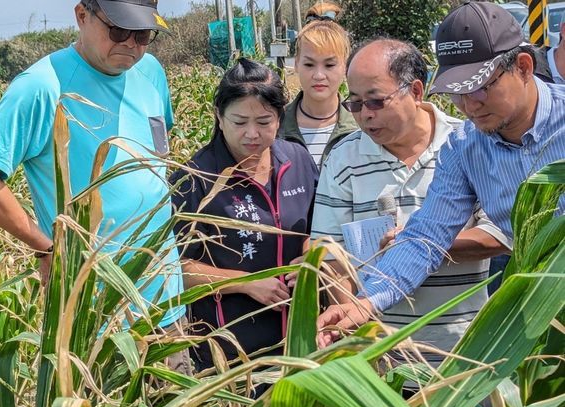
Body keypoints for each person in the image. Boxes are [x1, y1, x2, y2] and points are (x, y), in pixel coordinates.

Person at [317, 0, 565, 348]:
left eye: (479, 87)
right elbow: (426, 237)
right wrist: (365, 303)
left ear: (523, 67)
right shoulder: (465, 147)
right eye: (456, 92)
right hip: (536, 321)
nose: (468, 105)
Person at [0, 0, 187, 359]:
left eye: (144, 34)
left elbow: (158, 150)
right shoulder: (42, 87)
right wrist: (46, 247)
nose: (132, 44)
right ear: (82, 15)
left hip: (165, 299)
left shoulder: (151, 72)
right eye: (118, 31)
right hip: (94, 313)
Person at [310, 38, 509, 366]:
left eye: (375, 102)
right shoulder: (344, 158)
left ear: (416, 91)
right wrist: (359, 323)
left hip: (465, 350)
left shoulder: (470, 143)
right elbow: (330, 253)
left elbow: (498, 235)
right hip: (380, 355)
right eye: (355, 104)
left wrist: (420, 244)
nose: (365, 116)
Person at [170, 58, 319, 372]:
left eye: (264, 122)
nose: (252, 134)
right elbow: (174, 268)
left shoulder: (298, 160)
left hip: (301, 341)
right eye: (239, 122)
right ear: (219, 118)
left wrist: (309, 256)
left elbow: (321, 228)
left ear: (280, 117)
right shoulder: (196, 179)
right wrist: (247, 282)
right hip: (227, 353)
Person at [279, 19, 357, 167]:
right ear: (296, 64)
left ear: (345, 66)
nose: (319, 75)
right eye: (309, 64)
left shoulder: (361, 126)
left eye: (329, 65)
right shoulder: (275, 125)